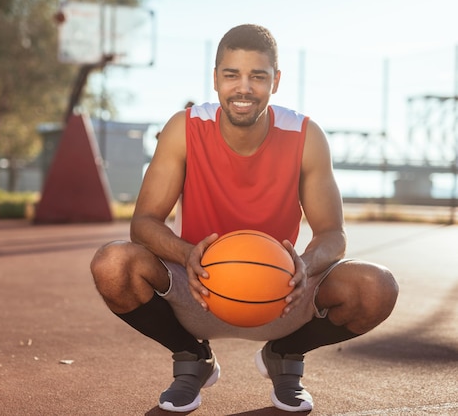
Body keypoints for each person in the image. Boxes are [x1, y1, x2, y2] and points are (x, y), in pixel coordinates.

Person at [90, 24, 399, 413]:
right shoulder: (183, 129)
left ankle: (285, 355)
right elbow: (144, 223)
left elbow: (332, 235)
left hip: (281, 294)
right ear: (216, 78)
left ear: (276, 81)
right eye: (232, 74)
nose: (244, 88)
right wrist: (187, 254)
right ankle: (191, 358)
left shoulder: (306, 136)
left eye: (258, 76)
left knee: (377, 287)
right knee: (113, 264)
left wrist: (304, 265)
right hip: (198, 289)